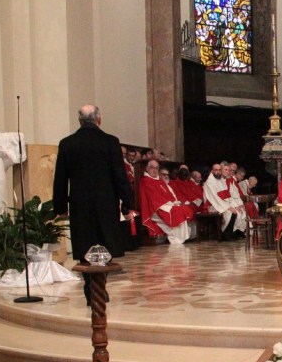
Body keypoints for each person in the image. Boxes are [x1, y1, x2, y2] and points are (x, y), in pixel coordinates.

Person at [52, 104, 134, 305]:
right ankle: (100, 287)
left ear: (79, 121)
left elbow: (60, 179)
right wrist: (127, 204)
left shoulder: (67, 143)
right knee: (103, 245)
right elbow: (119, 176)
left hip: (80, 204)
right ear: (99, 119)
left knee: (85, 245)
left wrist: (61, 208)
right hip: (105, 203)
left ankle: (90, 286)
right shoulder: (110, 142)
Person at [139, 160, 197, 244]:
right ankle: (177, 239)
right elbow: (154, 198)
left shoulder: (159, 180)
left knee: (182, 209)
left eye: (156, 168)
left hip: (165, 205)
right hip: (154, 208)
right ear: (147, 168)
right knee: (177, 211)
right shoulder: (146, 180)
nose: (154, 170)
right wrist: (171, 204)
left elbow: (168, 194)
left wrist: (174, 203)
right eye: (152, 167)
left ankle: (182, 237)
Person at [203, 163, 246, 240]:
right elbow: (215, 199)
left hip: (221, 204)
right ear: (212, 171)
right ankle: (226, 235)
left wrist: (234, 205)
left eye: (219, 170)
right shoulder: (210, 182)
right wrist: (228, 207)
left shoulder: (221, 181)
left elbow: (227, 196)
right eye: (216, 170)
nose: (218, 172)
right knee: (231, 212)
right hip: (212, 206)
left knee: (239, 211)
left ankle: (234, 232)